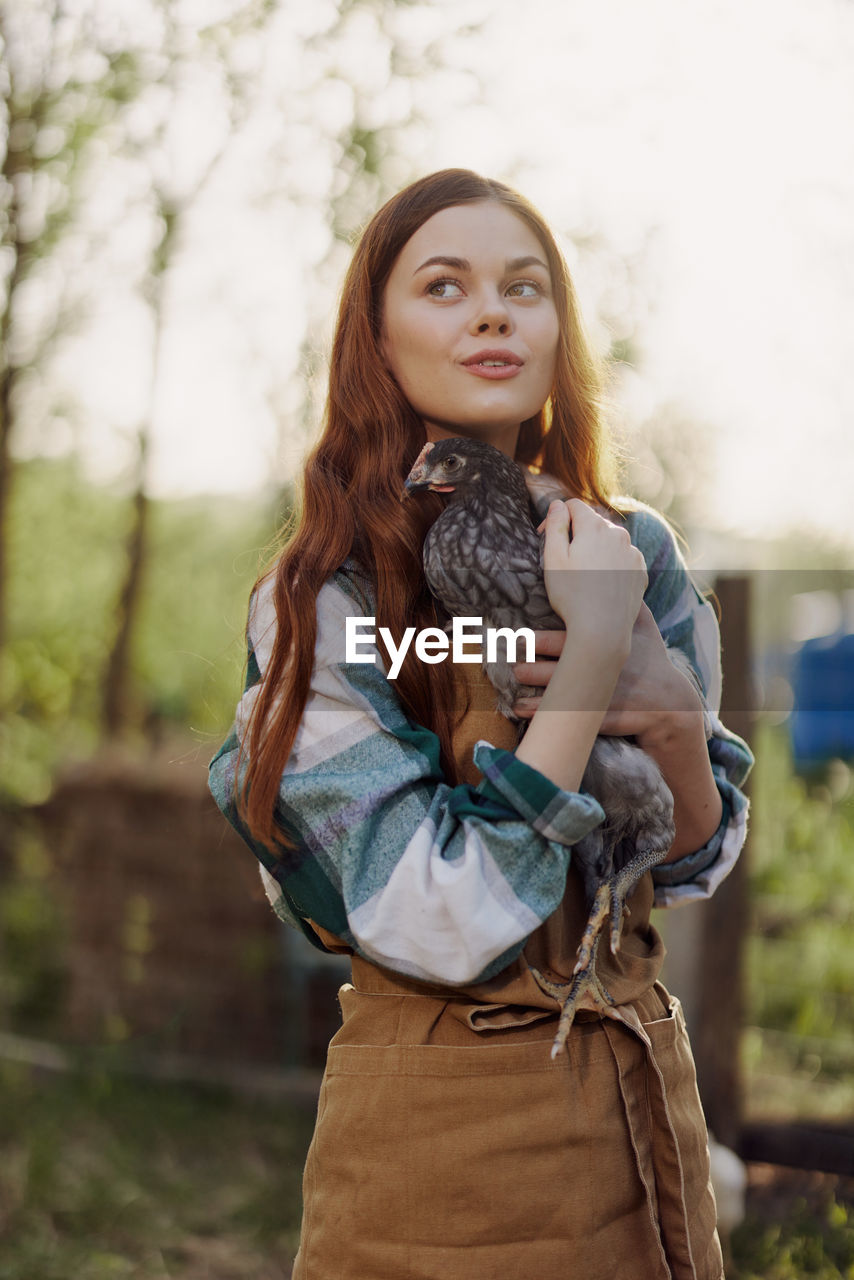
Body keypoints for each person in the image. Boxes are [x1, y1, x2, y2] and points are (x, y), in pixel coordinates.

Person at [209, 168, 753, 1279]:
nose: (493, 311)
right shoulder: (325, 599)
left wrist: (671, 721)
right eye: (444, 285)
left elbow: (690, 855)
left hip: (636, 1107)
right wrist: (589, 664)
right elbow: (433, 918)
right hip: (435, 1139)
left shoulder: (629, 548)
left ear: (558, 329)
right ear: (376, 336)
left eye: (524, 286)